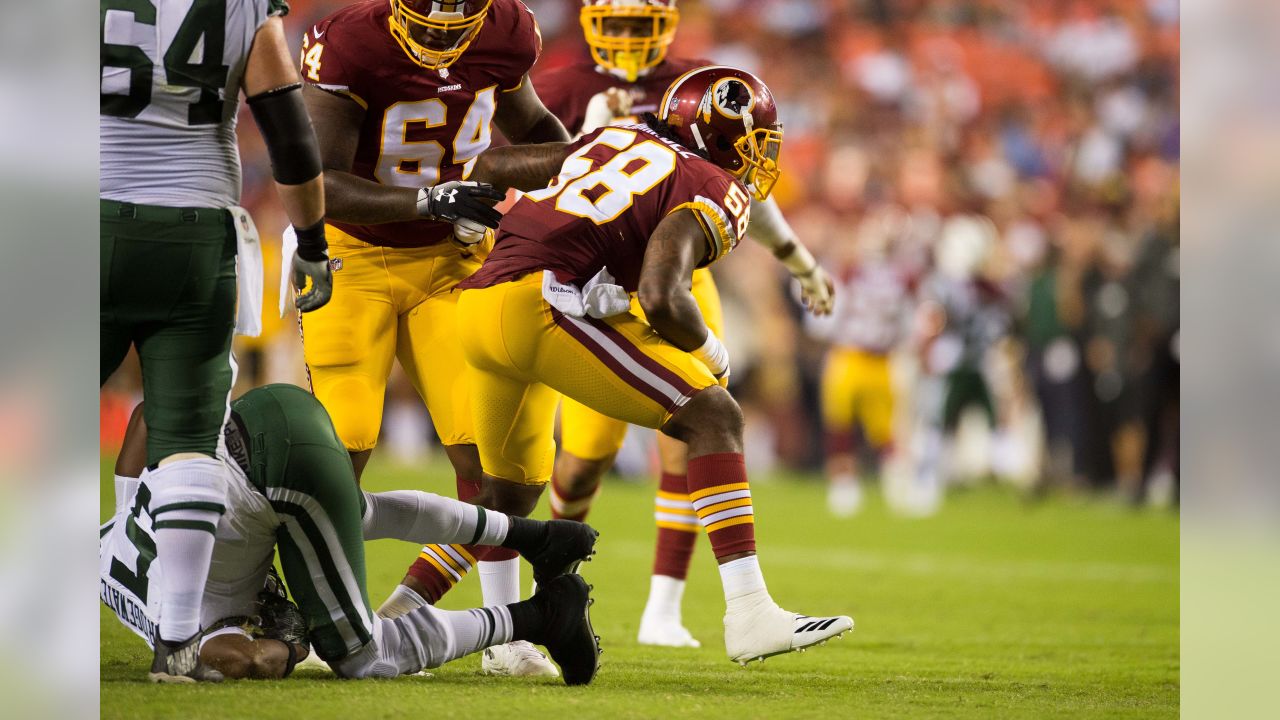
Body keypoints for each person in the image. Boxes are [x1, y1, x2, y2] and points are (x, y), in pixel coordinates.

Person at [454, 65, 854, 664]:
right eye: (754, 142)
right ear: (721, 139)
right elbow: (665, 295)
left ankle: (490, 638)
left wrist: (485, 235)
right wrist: (714, 353)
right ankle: (749, 613)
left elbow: (488, 169)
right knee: (714, 413)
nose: (759, 157)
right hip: (539, 306)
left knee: (505, 494)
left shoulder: (615, 135)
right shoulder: (713, 185)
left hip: (478, 306)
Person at [524, 0, 835, 648]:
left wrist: (800, 263)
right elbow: (513, 176)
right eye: (621, 23)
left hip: (677, 280)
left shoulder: (699, 84)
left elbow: (743, 191)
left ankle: (663, 610)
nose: (632, 39)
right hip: (592, 285)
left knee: (694, 430)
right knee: (581, 463)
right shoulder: (557, 87)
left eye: (643, 24)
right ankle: (547, 597)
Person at [295, 0, 571, 676]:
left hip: (449, 260)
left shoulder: (508, 31)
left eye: (455, 30)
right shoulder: (351, 42)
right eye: (422, 27)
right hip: (349, 256)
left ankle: (502, 636)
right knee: (344, 450)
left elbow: (535, 126)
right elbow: (317, 180)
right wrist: (428, 199)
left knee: (485, 453)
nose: (436, 44)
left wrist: (572, 171)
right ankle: (316, 621)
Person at [101, 0, 331, 682]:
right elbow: (288, 132)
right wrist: (312, 243)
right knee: (187, 437)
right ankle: (176, 642)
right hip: (197, 229)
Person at [102, 385, 601, 684]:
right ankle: (536, 535)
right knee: (359, 511)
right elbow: (148, 415)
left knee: (363, 656)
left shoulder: (174, 620)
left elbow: (240, 661)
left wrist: (291, 645)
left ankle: (540, 615)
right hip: (272, 408)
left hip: (273, 481)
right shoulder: (113, 535)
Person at [805, 209, 916, 517]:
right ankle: (844, 486)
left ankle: (897, 487)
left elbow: (908, 321)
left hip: (879, 358)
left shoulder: (901, 278)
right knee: (840, 422)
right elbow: (825, 318)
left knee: (885, 429)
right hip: (850, 354)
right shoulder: (847, 272)